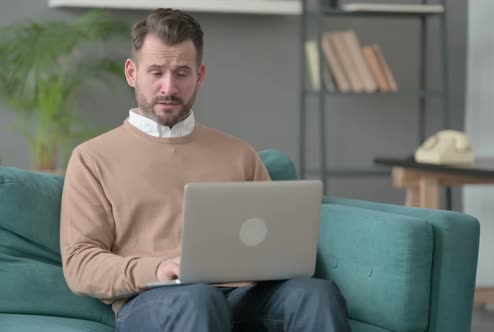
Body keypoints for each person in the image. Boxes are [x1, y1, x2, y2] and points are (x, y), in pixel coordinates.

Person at [60, 8, 351, 332]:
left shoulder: (239, 153)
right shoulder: (92, 158)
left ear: (199, 76)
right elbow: (80, 264)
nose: (168, 87)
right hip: (152, 299)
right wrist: (157, 269)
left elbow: (277, 241)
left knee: (316, 294)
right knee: (198, 299)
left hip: (242, 294)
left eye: (181, 73)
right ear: (132, 72)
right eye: (156, 72)